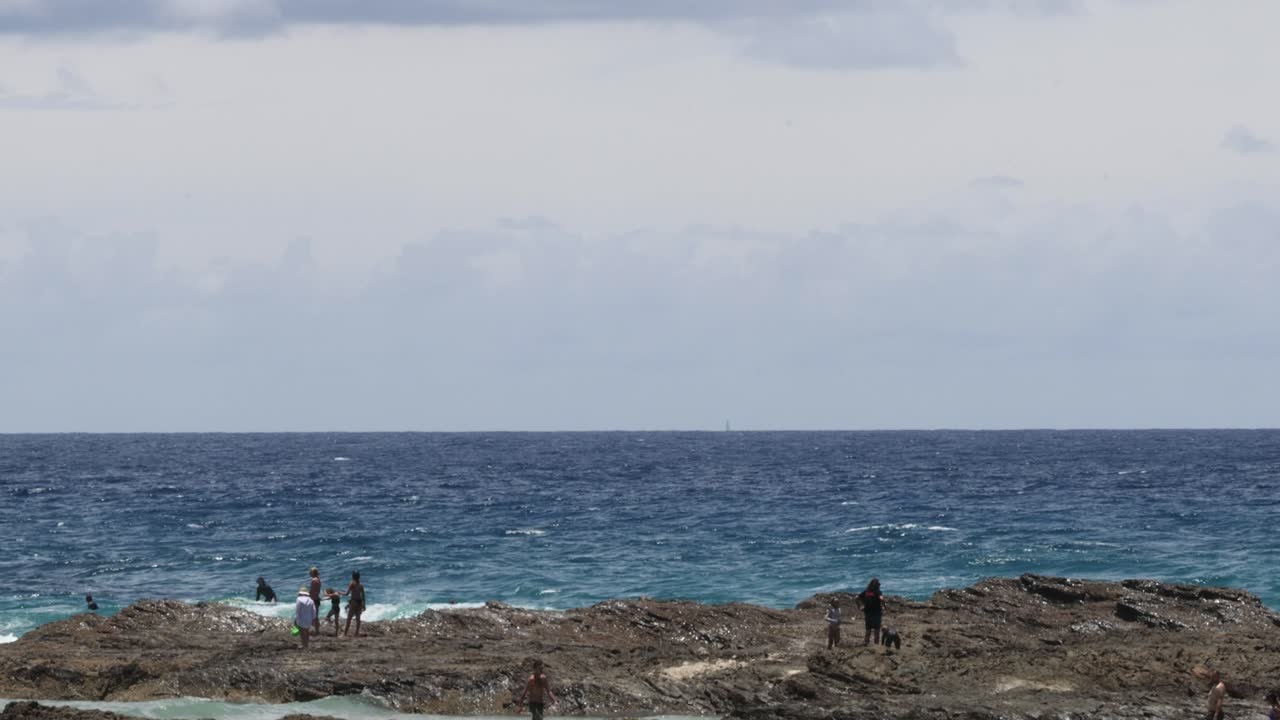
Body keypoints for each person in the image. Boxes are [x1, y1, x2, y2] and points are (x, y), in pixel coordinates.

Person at [857, 577, 885, 647]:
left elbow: (856, 598)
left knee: (868, 631)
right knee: (876, 632)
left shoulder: (867, 592)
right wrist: (883, 606)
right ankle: (876, 647)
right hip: (876, 614)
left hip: (868, 614)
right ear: (876, 585)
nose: (880, 584)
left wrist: (859, 607)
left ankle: (865, 644)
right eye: (879, 583)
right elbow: (881, 599)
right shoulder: (877, 592)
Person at [344, 570, 366, 637]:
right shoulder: (361, 585)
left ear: (353, 576)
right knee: (358, 619)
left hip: (353, 602)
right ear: (359, 577)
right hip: (359, 603)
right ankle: (356, 633)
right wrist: (364, 605)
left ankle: (345, 633)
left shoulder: (352, 584)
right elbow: (363, 596)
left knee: (349, 618)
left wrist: (340, 593)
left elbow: (347, 593)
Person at [308, 567, 322, 634]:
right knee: (315, 616)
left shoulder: (314, 580)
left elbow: (312, 591)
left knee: (313, 616)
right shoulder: (318, 580)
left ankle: (316, 631)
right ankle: (317, 630)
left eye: (310, 572)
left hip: (313, 600)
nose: (309, 573)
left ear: (313, 573)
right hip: (317, 599)